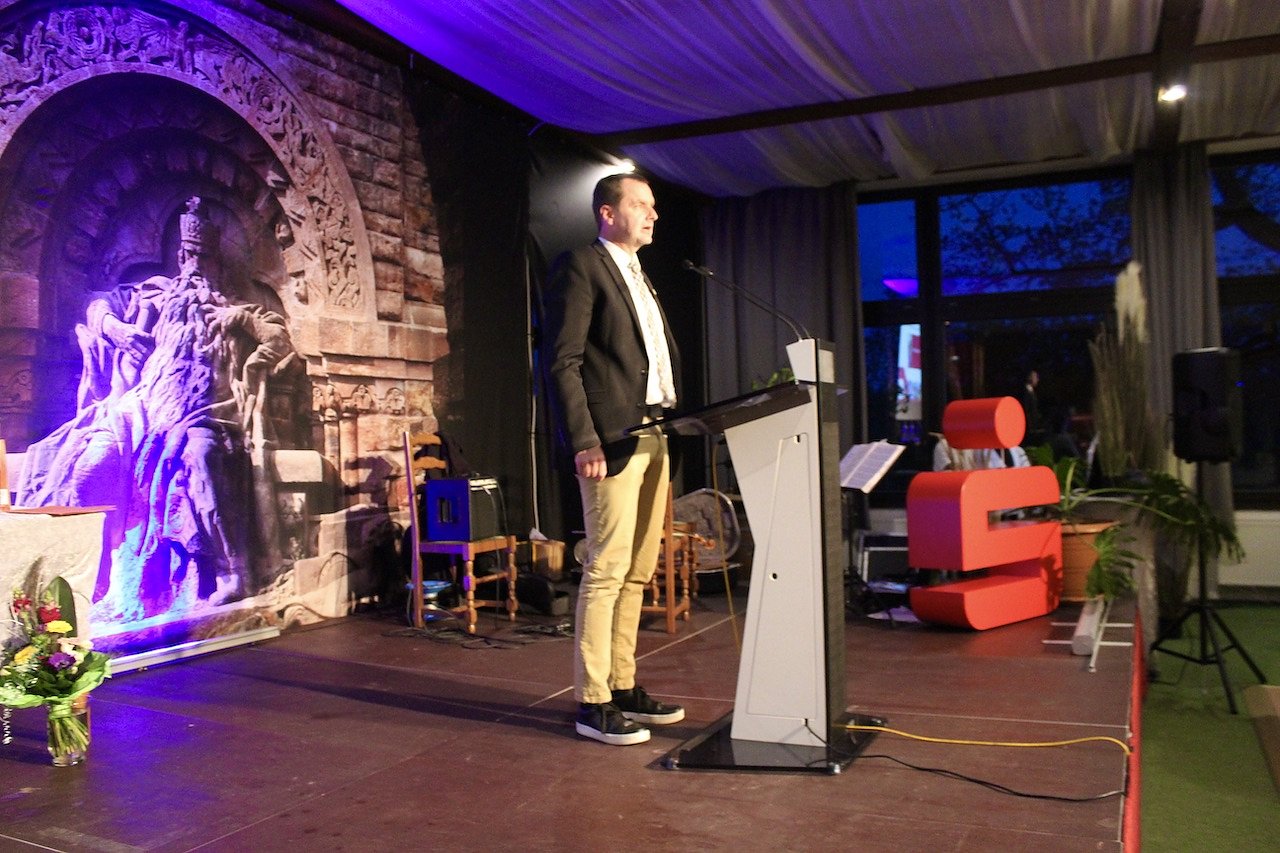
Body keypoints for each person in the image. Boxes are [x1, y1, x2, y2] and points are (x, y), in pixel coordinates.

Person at [544, 173, 685, 746]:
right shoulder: (582, 265)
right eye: (641, 205)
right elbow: (563, 361)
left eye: (653, 206)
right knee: (606, 569)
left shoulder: (640, 274)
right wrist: (585, 439)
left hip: (656, 431)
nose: (653, 215)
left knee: (638, 570)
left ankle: (622, 684)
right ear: (607, 213)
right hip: (611, 439)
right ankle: (593, 700)